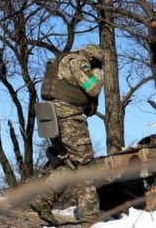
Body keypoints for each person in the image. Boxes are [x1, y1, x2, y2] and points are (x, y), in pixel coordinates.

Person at [30, 44, 105, 226]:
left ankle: (42, 200)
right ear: (94, 58)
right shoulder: (79, 62)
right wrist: (98, 73)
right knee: (86, 166)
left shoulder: (64, 60)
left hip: (53, 119)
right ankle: (90, 218)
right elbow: (93, 88)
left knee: (68, 164)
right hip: (69, 120)